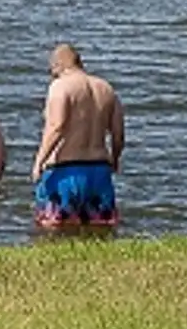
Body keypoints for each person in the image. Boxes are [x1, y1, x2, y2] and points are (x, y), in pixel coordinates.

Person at [34, 42, 126, 230]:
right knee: (101, 229)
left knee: (53, 230)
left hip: (65, 169)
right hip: (99, 169)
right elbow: (118, 133)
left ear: (58, 65)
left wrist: (39, 162)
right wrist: (115, 159)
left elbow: (57, 126)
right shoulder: (106, 88)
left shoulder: (60, 87)